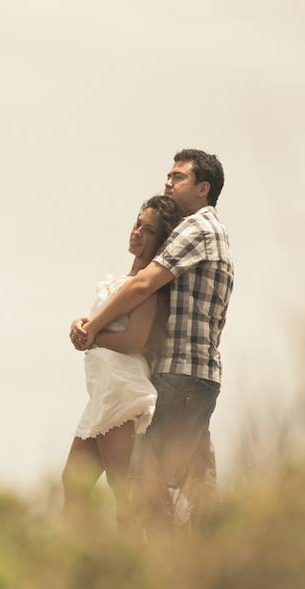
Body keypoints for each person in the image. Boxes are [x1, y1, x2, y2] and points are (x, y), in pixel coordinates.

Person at [72, 149, 233, 534]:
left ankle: (164, 574)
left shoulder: (198, 229)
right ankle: (207, 561)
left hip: (182, 373)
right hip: (195, 374)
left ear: (203, 188)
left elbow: (145, 282)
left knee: (147, 485)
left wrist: (92, 327)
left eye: (178, 177)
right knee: (194, 484)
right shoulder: (215, 235)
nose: (168, 182)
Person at [62, 195, 185, 528]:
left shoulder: (146, 286)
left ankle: (129, 566)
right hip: (102, 395)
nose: (137, 234)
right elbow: (99, 325)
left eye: (148, 231)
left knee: (123, 490)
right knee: (73, 482)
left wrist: (90, 337)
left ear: (161, 240)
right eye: (137, 225)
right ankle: (75, 557)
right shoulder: (121, 282)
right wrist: (81, 325)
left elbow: (134, 340)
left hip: (122, 391)